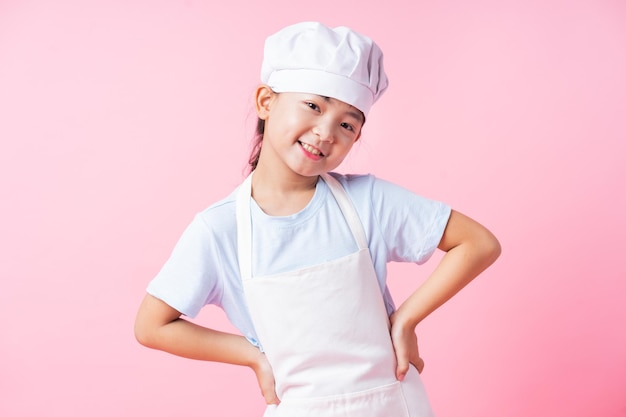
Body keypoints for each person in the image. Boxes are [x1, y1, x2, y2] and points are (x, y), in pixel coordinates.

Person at [134, 21, 501, 417]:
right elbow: (152, 326)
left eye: (347, 124)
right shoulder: (220, 231)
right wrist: (254, 356)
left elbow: (479, 243)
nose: (326, 132)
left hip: (393, 404)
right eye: (313, 105)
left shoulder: (369, 202)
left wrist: (406, 320)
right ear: (265, 101)